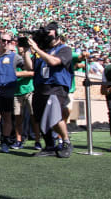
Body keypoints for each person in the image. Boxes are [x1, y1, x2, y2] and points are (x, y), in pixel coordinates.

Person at [27, 22, 74, 158]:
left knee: (54, 115)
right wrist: (26, 51)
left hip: (56, 86)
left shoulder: (65, 49)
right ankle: (49, 146)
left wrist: (37, 49)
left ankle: (66, 142)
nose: (47, 35)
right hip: (40, 86)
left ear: (57, 33)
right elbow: (30, 67)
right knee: (40, 117)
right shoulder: (43, 50)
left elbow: (54, 62)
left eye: (50, 31)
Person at [0, 32, 32, 153]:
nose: (5, 43)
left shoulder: (14, 57)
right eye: (3, 40)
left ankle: (4, 142)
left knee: (7, 117)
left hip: (8, 92)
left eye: (8, 41)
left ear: (11, 43)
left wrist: (26, 52)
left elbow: (29, 67)